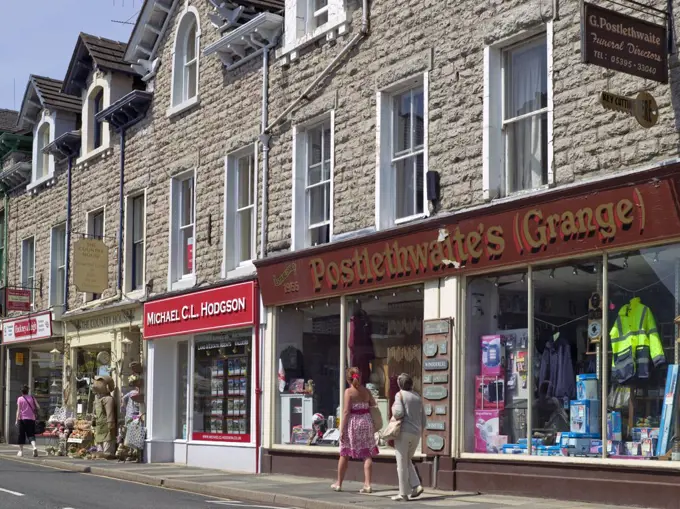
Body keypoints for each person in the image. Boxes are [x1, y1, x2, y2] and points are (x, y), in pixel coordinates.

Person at [332, 367, 379, 493]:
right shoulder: (366, 391)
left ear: (348, 379)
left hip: (353, 423)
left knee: (345, 452)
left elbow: (346, 412)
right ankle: (368, 484)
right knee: (367, 454)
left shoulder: (349, 392)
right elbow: (374, 405)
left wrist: (341, 430)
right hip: (367, 422)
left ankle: (339, 483)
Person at [391, 373, 426, 501]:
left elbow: (398, 413)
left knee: (401, 463)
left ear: (400, 384)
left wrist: (393, 408)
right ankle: (416, 485)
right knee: (406, 460)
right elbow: (424, 420)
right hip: (416, 434)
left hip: (403, 432)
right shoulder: (417, 397)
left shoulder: (399, 395)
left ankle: (403, 493)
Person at [15, 385, 40, 458]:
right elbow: (38, 407)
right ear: (28, 391)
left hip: (22, 419)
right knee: (31, 434)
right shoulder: (32, 398)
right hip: (31, 419)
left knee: (21, 435)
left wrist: (16, 420)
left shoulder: (20, 399)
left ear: (21, 392)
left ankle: (21, 451)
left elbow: (18, 410)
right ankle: (34, 447)